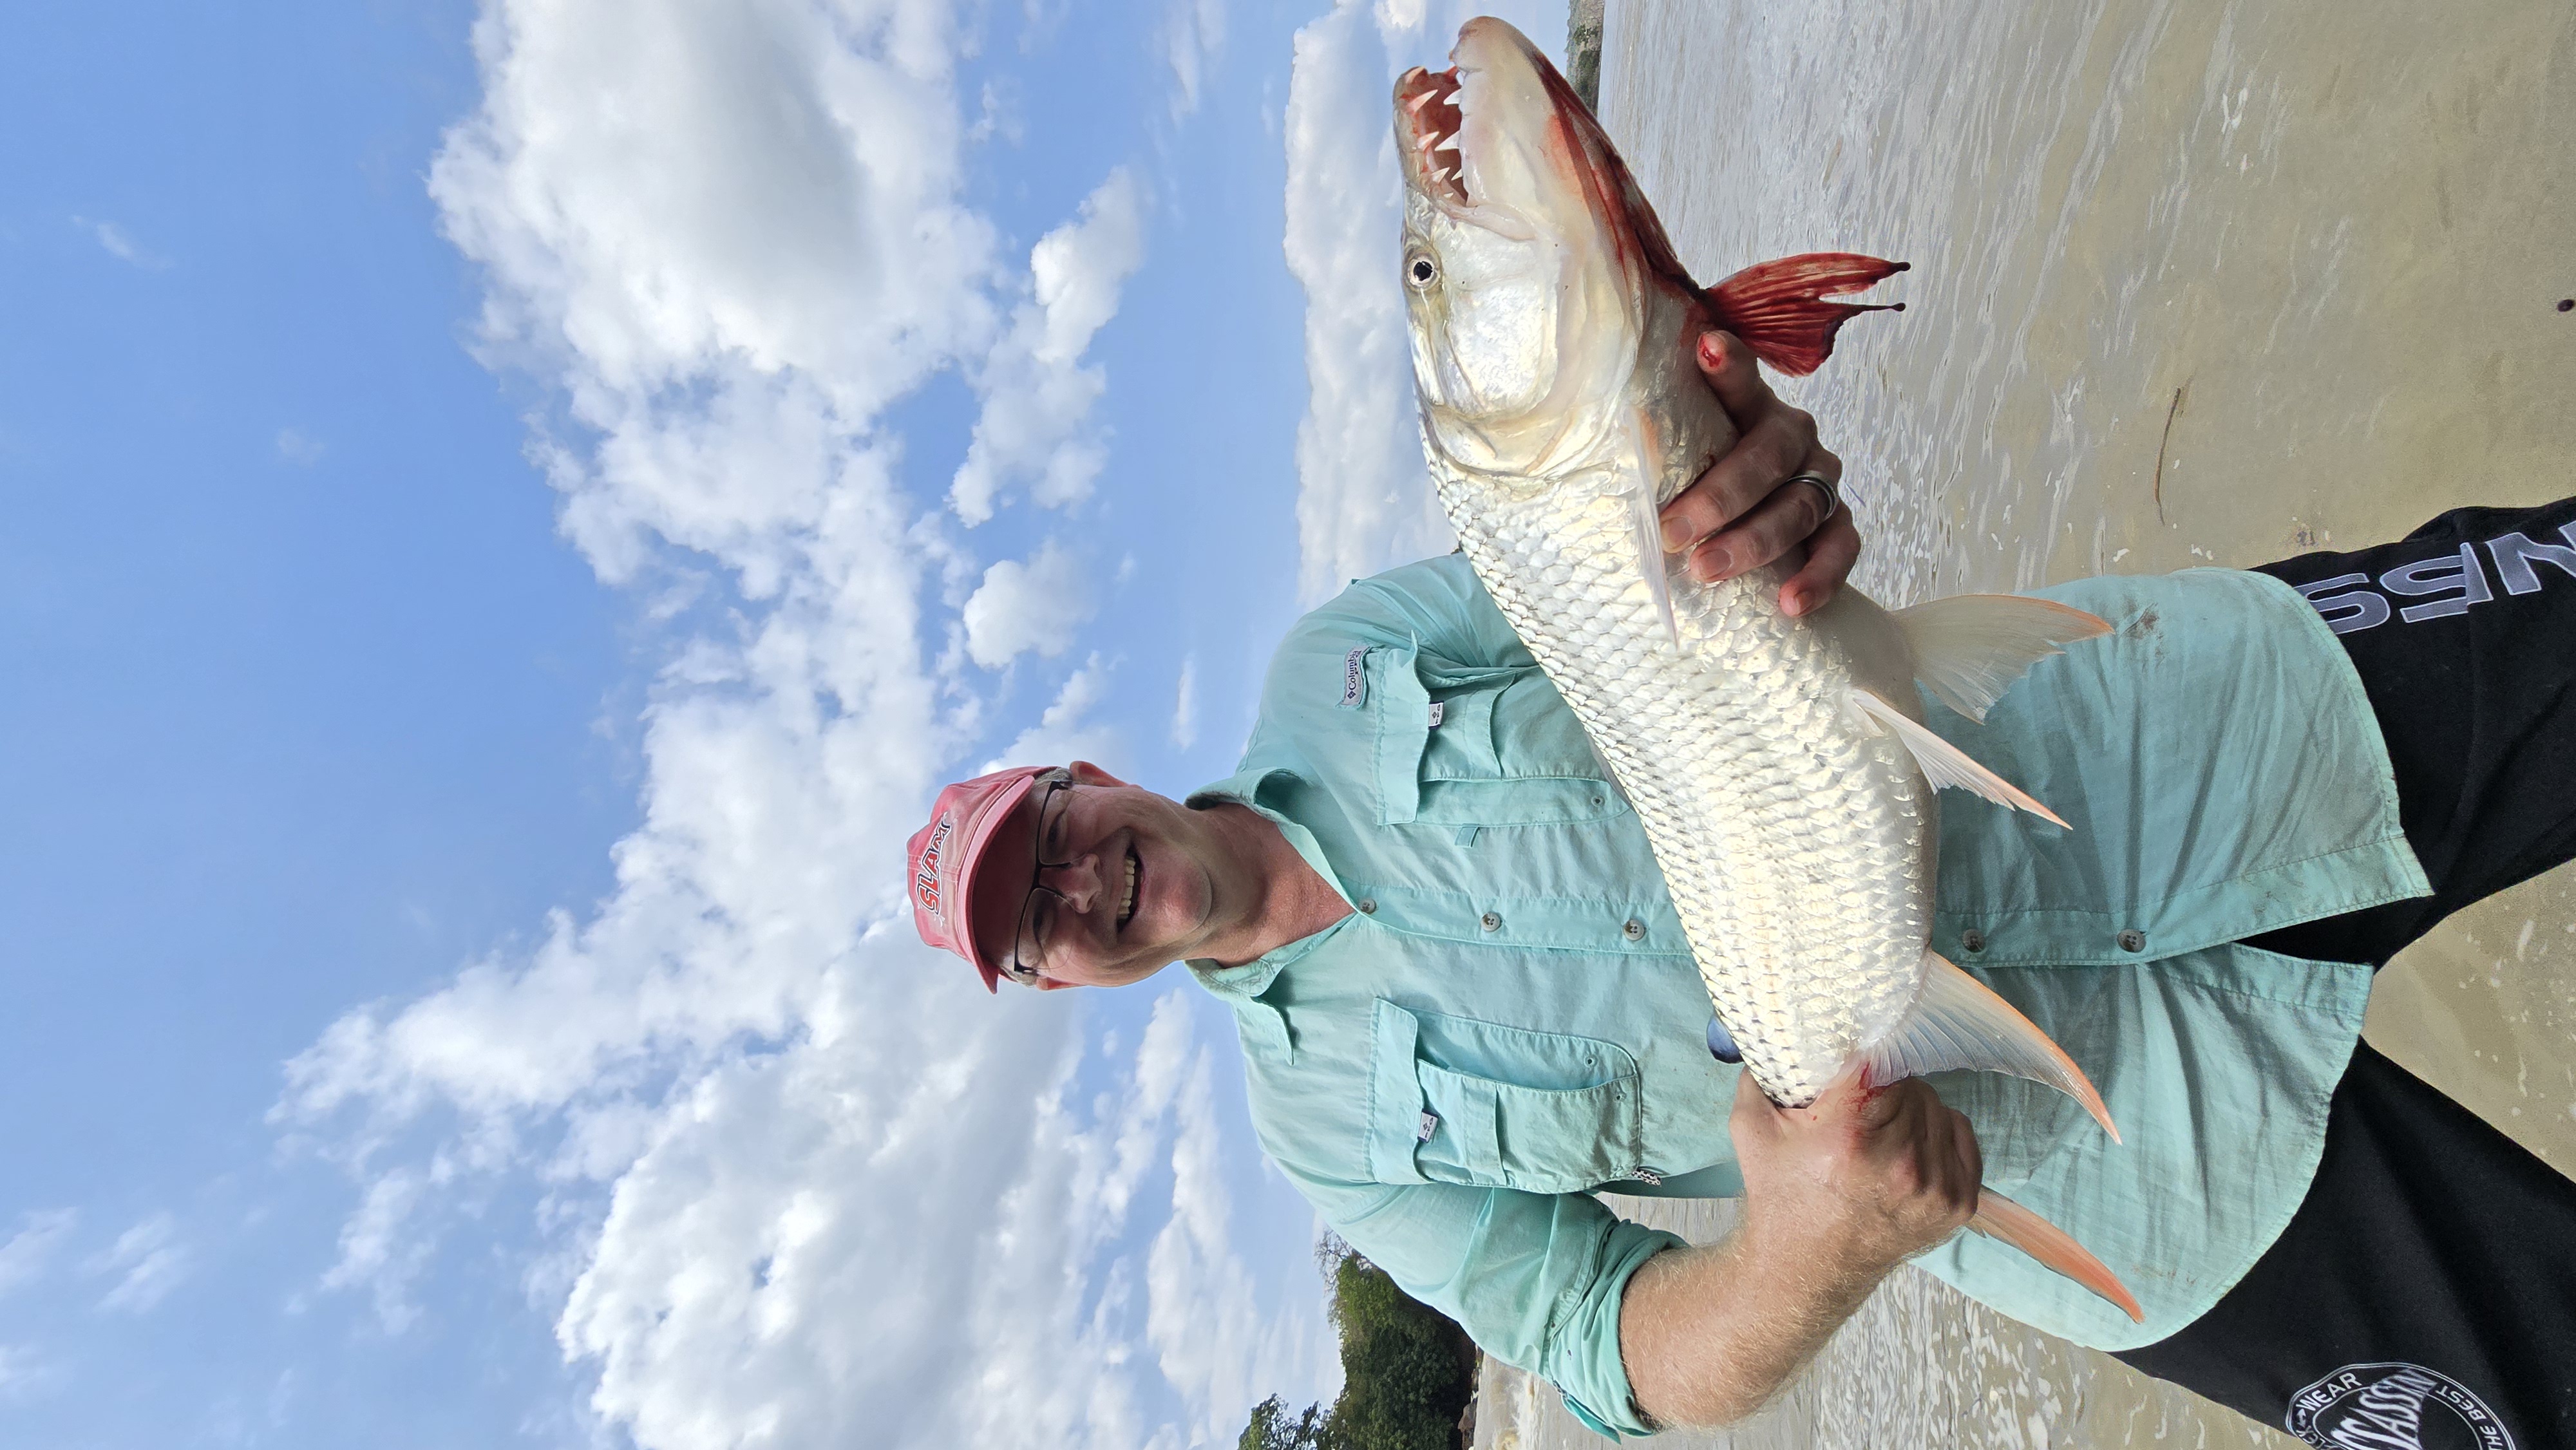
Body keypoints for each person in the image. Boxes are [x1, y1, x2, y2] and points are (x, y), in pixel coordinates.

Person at [905, 332, 2576, 1447]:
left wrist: (1746, 476)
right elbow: (1616, 1344)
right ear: (1057, 984)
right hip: (2117, 1181)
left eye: (1046, 836)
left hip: (2168, 748)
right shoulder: (1328, 1132)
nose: (1071, 886)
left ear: (1086, 770)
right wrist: (1805, 1251)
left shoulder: (1342, 659)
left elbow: (1638, 541)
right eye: (1029, 924)